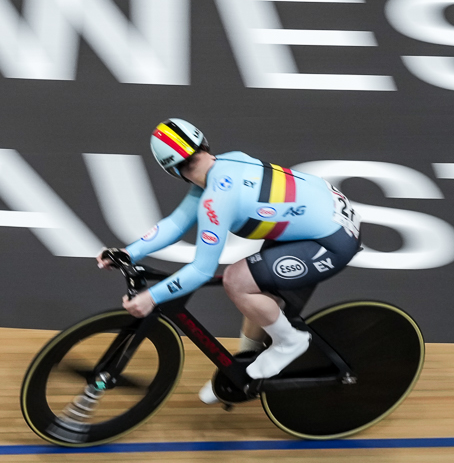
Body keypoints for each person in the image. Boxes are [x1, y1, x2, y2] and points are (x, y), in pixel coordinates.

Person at [97, 119, 362, 399]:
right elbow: (176, 223)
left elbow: (201, 269)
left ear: (172, 170)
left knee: (238, 281)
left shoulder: (217, 199)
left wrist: (152, 297)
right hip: (320, 220)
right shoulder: (225, 162)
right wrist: (130, 252)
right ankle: (243, 367)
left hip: (330, 241)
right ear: (203, 144)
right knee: (254, 284)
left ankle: (290, 342)